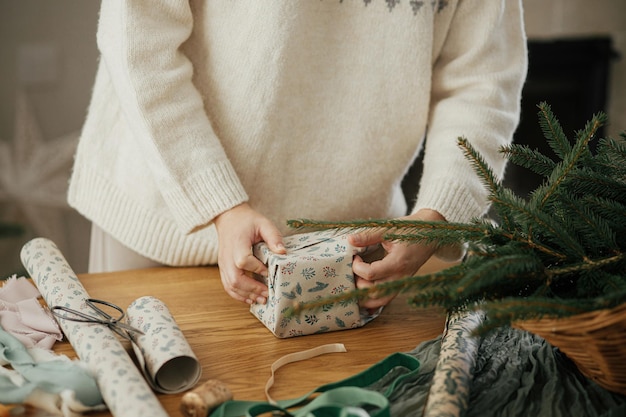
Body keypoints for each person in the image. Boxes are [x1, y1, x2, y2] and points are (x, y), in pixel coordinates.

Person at [68, 0, 528, 309]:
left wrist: (437, 218)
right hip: (165, 216)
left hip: (349, 252)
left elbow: (482, 83)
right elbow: (138, 40)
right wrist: (220, 204)